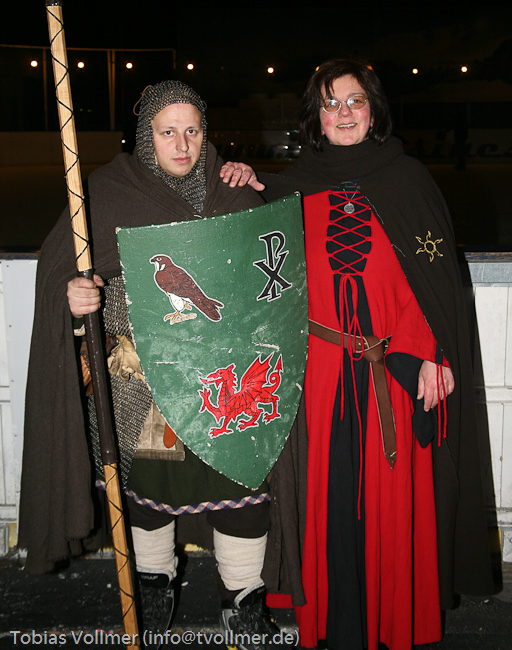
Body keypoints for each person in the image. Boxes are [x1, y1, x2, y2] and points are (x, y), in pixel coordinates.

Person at [19, 80, 306, 648]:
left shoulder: (231, 193)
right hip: (146, 385)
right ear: (145, 137)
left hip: (228, 380)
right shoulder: (110, 193)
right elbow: (61, 272)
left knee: (243, 489)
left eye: (192, 130)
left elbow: (271, 276)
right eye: (167, 132)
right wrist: (75, 298)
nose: (182, 144)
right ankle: (152, 586)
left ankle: (243, 599)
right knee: (148, 496)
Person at [222, 58, 494, 650]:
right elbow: (248, 260)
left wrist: (430, 354)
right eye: (331, 103)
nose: (343, 112)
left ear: (374, 110)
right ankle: (330, 626)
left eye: (355, 101)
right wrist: (241, 180)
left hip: (391, 370)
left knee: (390, 504)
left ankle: (394, 624)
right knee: (326, 498)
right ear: (315, 118)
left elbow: (432, 283)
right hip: (318, 373)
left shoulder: (408, 181)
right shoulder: (290, 188)